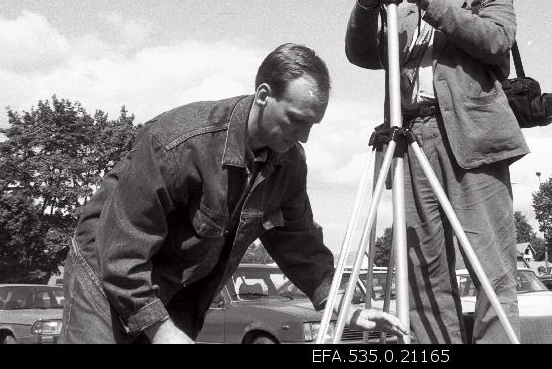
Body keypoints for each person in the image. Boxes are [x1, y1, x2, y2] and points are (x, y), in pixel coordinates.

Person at [59, 43, 405, 343]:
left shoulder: (289, 162)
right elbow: (122, 250)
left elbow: (297, 241)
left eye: (311, 125)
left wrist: (341, 305)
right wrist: (162, 332)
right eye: (296, 120)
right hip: (105, 267)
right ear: (264, 96)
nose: (304, 137)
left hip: (180, 284)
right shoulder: (178, 145)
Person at [345, 0, 529, 343]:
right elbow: (360, 54)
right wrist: (369, 2)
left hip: (473, 140)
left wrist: (429, 2)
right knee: (423, 267)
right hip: (411, 138)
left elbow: (496, 41)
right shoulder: (402, 13)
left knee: (491, 265)